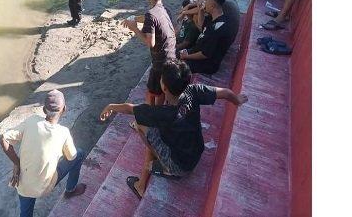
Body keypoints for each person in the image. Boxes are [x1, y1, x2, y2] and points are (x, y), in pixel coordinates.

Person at [99, 59, 248, 199]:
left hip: (180, 166)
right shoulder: (193, 91)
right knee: (154, 125)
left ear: (164, 87)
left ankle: (163, 170)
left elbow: (131, 109)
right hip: (196, 152)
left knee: (140, 126)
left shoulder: (162, 113)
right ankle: (162, 162)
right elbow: (226, 93)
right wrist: (237, 100)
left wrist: (111, 106)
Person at [0, 89, 86, 217]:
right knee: (79, 154)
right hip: (45, 186)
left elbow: (3, 140)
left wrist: (17, 164)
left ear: (44, 110)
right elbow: (71, 156)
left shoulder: (32, 121)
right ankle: (70, 190)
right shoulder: (63, 132)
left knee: (25, 211)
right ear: (64, 109)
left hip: (24, 184)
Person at [122, 0, 176, 106]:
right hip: (171, 56)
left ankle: (151, 116)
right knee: (162, 89)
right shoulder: (164, 9)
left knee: (151, 92)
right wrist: (135, 18)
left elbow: (149, 43)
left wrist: (134, 28)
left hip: (160, 61)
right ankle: (158, 110)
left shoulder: (151, 15)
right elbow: (148, 18)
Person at [180, 0, 236, 74]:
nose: (204, 2)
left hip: (206, 64)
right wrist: (201, 11)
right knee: (172, 55)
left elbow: (204, 54)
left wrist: (187, 56)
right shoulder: (214, 17)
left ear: (212, 5)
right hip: (197, 51)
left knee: (173, 66)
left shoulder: (217, 28)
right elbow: (202, 27)